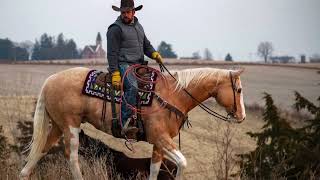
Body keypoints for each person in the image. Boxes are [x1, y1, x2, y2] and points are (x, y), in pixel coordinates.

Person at [107, 0, 163, 135]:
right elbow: (112, 53)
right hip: (123, 64)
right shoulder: (115, 29)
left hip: (138, 64)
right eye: (123, 12)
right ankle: (124, 122)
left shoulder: (139, 26)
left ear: (134, 12)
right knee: (133, 86)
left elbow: (146, 45)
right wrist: (115, 72)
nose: (125, 15)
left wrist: (154, 54)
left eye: (128, 12)